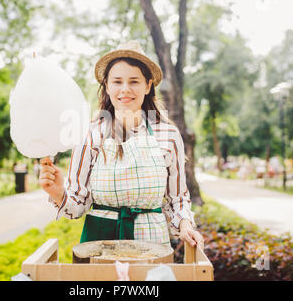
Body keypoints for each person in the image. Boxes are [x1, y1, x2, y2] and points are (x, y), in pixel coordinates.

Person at [39, 40, 204, 250]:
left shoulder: (168, 136)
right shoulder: (89, 135)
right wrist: (57, 192)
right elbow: (77, 207)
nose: (125, 89)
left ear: (148, 85)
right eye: (117, 81)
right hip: (98, 247)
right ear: (107, 86)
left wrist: (186, 224)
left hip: (152, 245)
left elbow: (177, 199)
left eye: (134, 81)